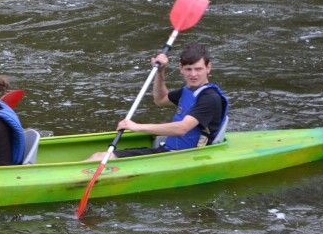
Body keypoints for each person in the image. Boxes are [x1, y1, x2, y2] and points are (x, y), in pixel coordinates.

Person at [88, 43, 229, 161]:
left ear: (208, 68)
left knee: (99, 158)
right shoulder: (189, 91)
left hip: (186, 157)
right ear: (181, 69)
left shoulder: (209, 98)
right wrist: (160, 72)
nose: (193, 74)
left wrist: (137, 127)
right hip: (170, 150)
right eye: (188, 69)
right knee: (97, 156)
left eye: (198, 69)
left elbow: (182, 129)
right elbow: (160, 100)